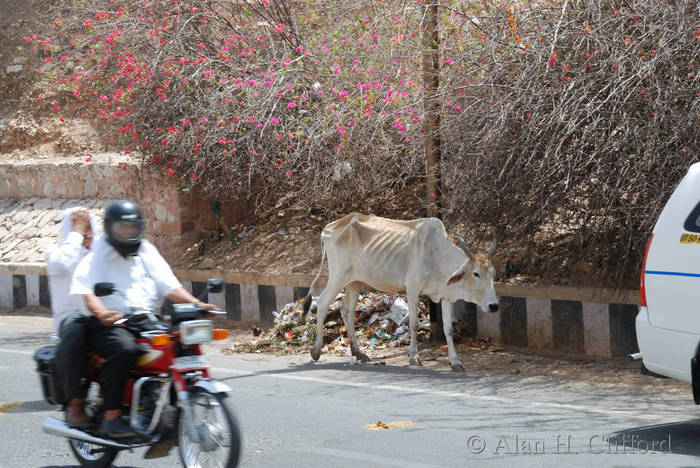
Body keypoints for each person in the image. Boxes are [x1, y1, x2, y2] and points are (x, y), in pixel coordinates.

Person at [70, 200, 221, 438]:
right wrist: (101, 312)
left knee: (178, 344)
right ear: (111, 229)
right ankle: (111, 417)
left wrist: (197, 304)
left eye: (133, 227)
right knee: (125, 350)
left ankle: (164, 404)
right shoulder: (98, 253)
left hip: (146, 320)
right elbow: (86, 290)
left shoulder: (147, 250)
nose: (129, 233)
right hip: (110, 322)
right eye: (123, 228)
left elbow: (168, 286)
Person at [45, 207, 96, 428]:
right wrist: (76, 231)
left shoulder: (100, 257)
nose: (88, 233)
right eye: (81, 227)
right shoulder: (56, 255)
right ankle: (75, 403)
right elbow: (65, 262)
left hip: (101, 318)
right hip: (71, 321)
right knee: (77, 329)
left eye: (89, 226)